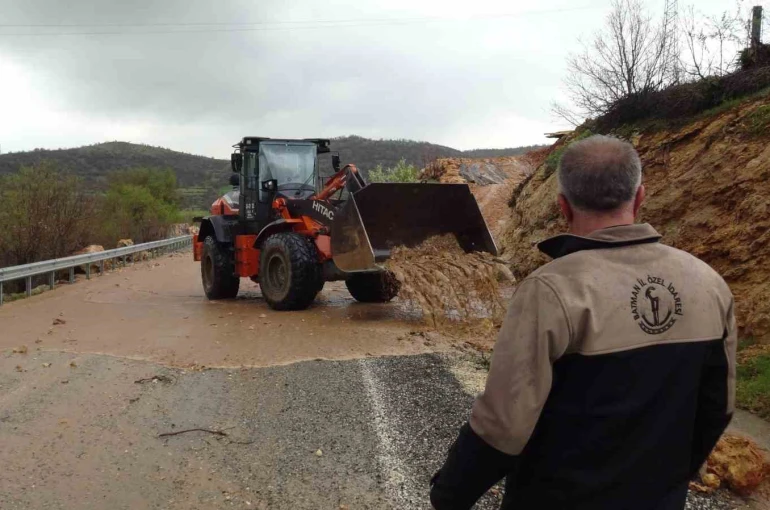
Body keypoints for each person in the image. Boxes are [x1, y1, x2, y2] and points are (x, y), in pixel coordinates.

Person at [429, 134, 736, 510]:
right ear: (640, 197)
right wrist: (670, 480)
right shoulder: (708, 283)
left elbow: (504, 424)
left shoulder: (550, 290)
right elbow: (717, 407)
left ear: (562, 205)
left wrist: (449, 495)